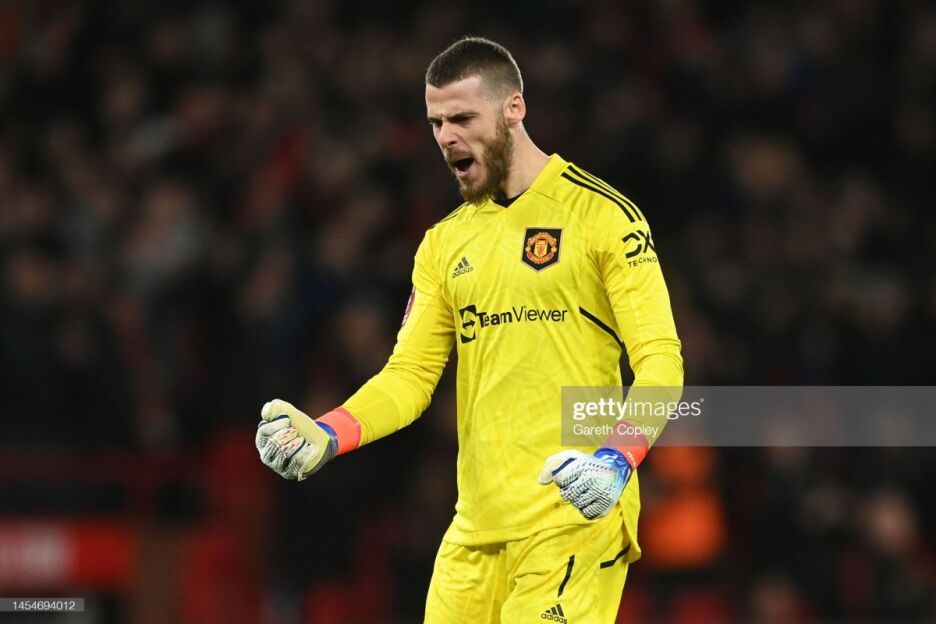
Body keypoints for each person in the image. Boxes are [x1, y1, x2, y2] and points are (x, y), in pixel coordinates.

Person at [255, 36, 683, 623]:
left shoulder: (602, 216)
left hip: (574, 516)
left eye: (462, 118)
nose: (446, 138)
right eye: (436, 123)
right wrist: (329, 433)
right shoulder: (444, 243)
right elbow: (409, 377)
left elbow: (661, 361)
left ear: (513, 109)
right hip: (475, 532)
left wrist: (617, 459)